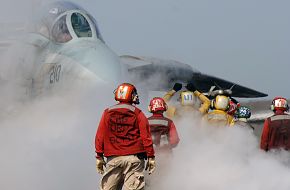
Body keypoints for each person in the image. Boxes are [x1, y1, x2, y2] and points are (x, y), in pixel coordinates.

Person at [95, 83, 156, 190]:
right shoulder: (138, 113)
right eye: (134, 93)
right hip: (134, 160)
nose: (136, 96)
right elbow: (146, 137)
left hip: (113, 159)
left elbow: (100, 136)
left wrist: (99, 156)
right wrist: (151, 157)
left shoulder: (107, 112)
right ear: (130, 95)